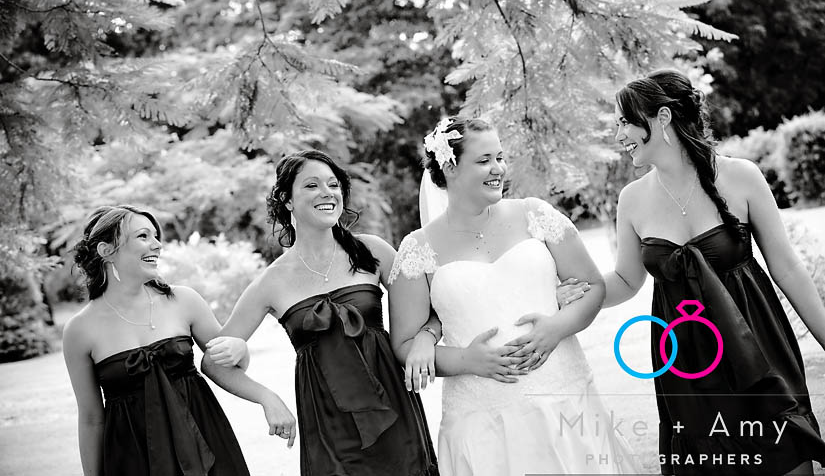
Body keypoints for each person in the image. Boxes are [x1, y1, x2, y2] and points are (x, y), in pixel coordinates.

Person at [598, 69, 825, 474]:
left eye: (625, 122)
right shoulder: (631, 199)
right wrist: (574, 291)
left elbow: (787, 268)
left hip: (758, 344)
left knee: (786, 456)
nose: (618, 135)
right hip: (687, 367)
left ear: (662, 117)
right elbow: (626, 280)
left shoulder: (741, 176)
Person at [388, 117, 640, 475]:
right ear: (450, 167)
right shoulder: (417, 249)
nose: (498, 168)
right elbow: (404, 344)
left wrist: (555, 328)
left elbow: (593, 286)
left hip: (562, 396)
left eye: (500, 157)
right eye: (484, 160)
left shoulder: (535, 214)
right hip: (481, 417)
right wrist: (466, 360)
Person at [202, 150, 439, 476]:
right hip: (327, 426)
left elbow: (434, 309)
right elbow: (213, 362)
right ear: (287, 200)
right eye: (312, 185)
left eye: (333, 184)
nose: (327, 193)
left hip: (393, 409)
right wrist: (267, 397)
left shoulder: (373, 251)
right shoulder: (270, 282)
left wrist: (426, 338)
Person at [63, 205, 294, 476]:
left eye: (156, 236)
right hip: (133, 457)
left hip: (204, 440)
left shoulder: (184, 300)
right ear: (106, 250)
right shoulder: (79, 330)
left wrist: (261, 387)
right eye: (143, 236)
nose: (157, 244)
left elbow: (224, 365)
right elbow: (91, 419)